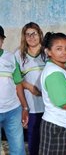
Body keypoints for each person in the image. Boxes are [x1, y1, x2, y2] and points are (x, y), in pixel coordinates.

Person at [14, 22, 45, 155]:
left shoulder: (47, 51)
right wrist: (30, 87)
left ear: (40, 35)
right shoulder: (18, 54)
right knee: (33, 141)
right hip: (31, 105)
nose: (31, 37)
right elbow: (16, 80)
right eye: (28, 34)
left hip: (50, 106)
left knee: (48, 141)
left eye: (34, 34)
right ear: (24, 37)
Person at [0, 25, 28, 155]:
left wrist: (24, 107)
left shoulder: (10, 57)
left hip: (13, 111)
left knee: (18, 149)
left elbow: (18, 84)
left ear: (2, 40)